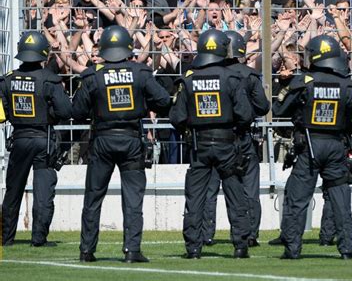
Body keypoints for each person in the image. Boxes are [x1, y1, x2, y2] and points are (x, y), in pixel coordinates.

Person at [72, 25, 170, 262]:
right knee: (133, 197)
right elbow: (164, 101)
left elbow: (77, 110)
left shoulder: (93, 74)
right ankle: (132, 250)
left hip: (102, 139)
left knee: (93, 197)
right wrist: (142, 102)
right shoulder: (141, 72)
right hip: (131, 139)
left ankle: (87, 250)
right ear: (128, 48)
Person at [273, 35, 352, 259]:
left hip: (309, 146)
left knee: (297, 198)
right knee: (340, 198)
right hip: (336, 146)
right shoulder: (347, 84)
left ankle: (293, 248)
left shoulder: (304, 81)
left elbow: (278, 109)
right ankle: (347, 249)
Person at [169, 29, 253, 259]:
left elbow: (176, 117)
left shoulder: (188, 79)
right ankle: (240, 245)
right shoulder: (232, 78)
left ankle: (193, 247)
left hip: (199, 144)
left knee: (195, 196)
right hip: (227, 142)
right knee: (235, 193)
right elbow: (246, 114)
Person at [1, 31, 72, 246]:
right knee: (43, 191)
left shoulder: (7, 80)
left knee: (13, 190)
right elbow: (66, 111)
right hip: (44, 140)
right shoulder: (50, 80)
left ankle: (5, 237)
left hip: (19, 140)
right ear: (43, 54)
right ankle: (38, 238)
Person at [202, 31, 270, 247]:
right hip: (242, 137)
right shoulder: (249, 75)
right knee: (248, 188)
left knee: (209, 189)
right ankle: (248, 234)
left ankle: (205, 234)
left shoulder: (207, 73)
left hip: (213, 137)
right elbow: (263, 106)